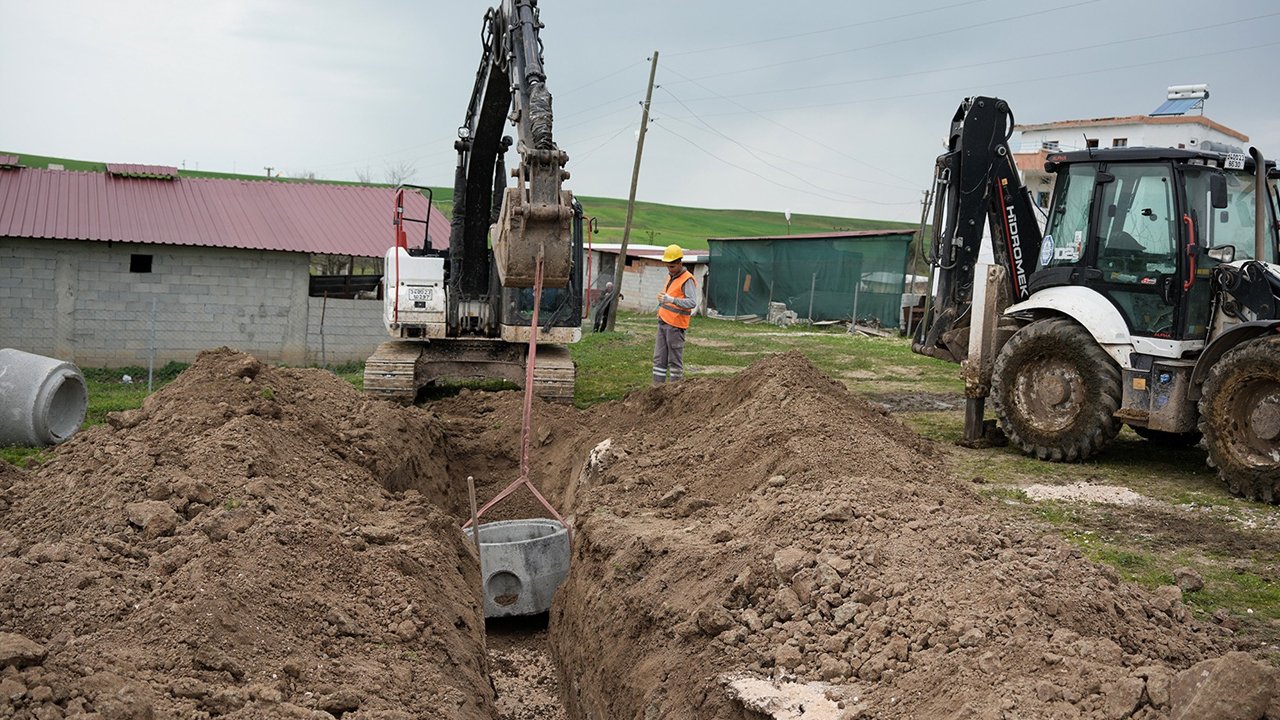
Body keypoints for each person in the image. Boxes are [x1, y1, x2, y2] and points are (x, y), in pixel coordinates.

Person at [652, 244, 697, 384]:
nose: (669, 269)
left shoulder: (687, 279)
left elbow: (692, 302)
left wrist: (672, 300)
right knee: (659, 358)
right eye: (668, 266)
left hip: (676, 326)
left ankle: (675, 389)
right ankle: (657, 388)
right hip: (663, 322)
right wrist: (663, 301)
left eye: (672, 266)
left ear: (680, 263)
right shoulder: (671, 276)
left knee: (674, 361)